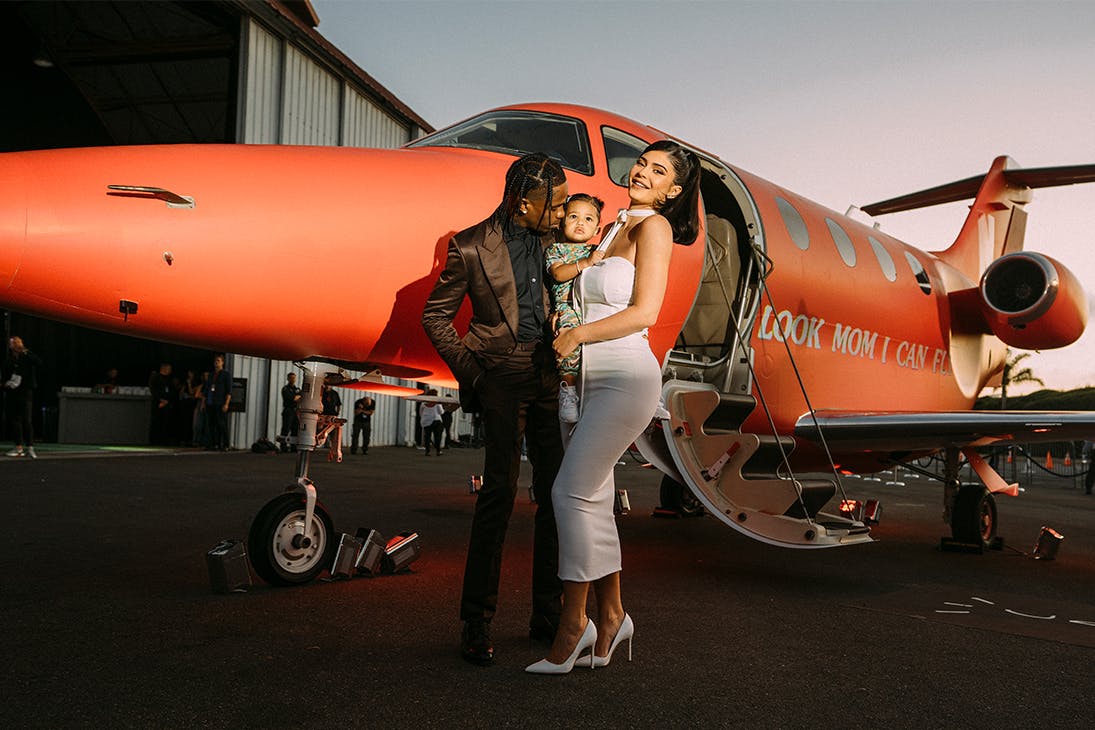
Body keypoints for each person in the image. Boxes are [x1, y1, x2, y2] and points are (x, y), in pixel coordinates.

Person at [526, 141, 700, 674]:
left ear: (673, 190)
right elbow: (580, 292)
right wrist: (566, 322)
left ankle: (573, 624)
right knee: (594, 501)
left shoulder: (655, 229)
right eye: (643, 163)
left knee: (568, 490)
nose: (644, 172)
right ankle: (614, 614)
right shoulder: (609, 226)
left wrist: (578, 333)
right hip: (583, 379)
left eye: (659, 171)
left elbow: (645, 312)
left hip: (625, 375)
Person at [422, 152, 568, 666]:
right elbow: (435, 317)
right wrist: (475, 375)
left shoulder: (556, 240)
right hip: (499, 378)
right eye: (554, 203)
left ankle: (547, 613)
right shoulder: (469, 246)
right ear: (524, 201)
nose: (561, 211)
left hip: (548, 376)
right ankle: (476, 620)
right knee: (499, 496)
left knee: (557, 496)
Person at [545, 193, 605, 423]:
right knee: (568, 341)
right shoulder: (556, 250)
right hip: (568, 307)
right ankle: (567, 390)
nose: (581, 223)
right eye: (574, 216)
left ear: (598, 229)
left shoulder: (598, 250)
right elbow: (559, 274)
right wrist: (585, 263)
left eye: (589, 219)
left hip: (592, 308)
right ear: (562, 222)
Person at [3, 336, 44, 458]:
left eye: (17, 343)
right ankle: (19, 447)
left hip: (26, 392)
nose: (15, 345)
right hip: (13, 393)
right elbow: (4, 376)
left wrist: (25, 351)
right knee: (15, 420)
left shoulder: (26, 357)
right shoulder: (9, 360)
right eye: (13, 343)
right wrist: (6, 384)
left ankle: (30, 447)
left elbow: (39, 362)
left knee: (27, 420)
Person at [202, 354, 232, 450]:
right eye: (215, 360)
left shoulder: (226, 375)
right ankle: (215, 443)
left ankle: (225, 444)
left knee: (221, 424)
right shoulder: (211, 375)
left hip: (220, 402)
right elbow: (206, 389)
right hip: (211, 402)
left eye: (218, 360)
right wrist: (204, 402)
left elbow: (229, 391)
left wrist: (226, 404)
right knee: (211, 424)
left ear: (222, 362)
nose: (216, 362)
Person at [148, 362, 175, 445]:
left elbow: (172, 392)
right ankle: (154, 441)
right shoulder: (155, 377)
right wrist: (160, 400)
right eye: (169, 368)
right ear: (164, 368)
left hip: (166, 404)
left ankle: (164, 440)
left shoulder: (169, 379)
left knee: (165, 423)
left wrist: (167, 401)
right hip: (157, 404)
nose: (170, 370)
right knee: (156, 422)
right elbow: (153, 390)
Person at [279, 372, 301, 452]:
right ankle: (283, 446)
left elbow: (301, 398)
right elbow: (292, 398)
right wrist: (296, 397)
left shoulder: (297, 389)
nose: (292, 379)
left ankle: (293, 446)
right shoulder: (285, 389)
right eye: (291, 378)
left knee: (295, 429)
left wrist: (297, 397)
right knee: (286, 429)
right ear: (288, 379)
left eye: (294, 378)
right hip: (288, 410)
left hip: (295, 411)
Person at [419, 391, 444, 456]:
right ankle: (438, 451)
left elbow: (421, 413)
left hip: (427, 421)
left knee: (427, 436)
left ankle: (427, 451)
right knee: (437, 436)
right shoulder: (437, 403)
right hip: (436, 420)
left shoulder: (423, 403)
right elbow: (441, 412)